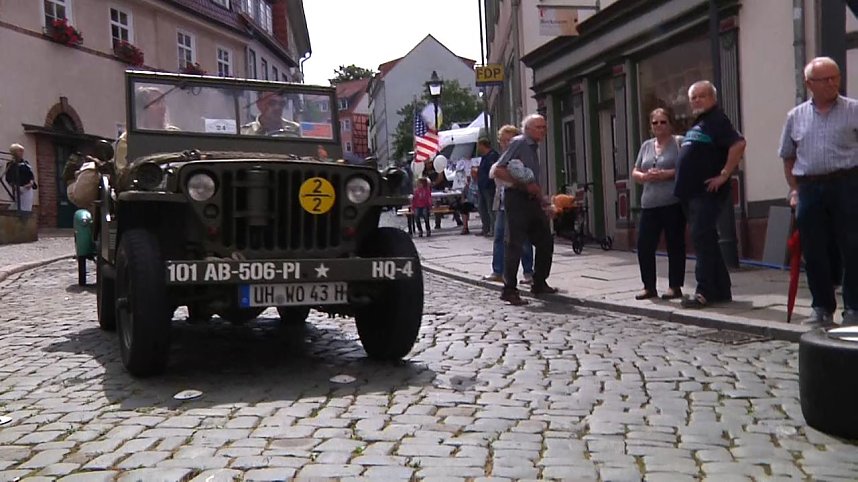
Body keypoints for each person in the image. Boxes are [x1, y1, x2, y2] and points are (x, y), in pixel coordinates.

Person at [778, 56, 858, 326]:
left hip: (847, 183)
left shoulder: (854, 110)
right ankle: (822, 307)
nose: (833, 83)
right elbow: (788, 156)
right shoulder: (795, 116)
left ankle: (854, 309)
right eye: (825, 79)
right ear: (809, 83)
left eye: (835, 77)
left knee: (853, 246)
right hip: (809, 187)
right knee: (814, 251)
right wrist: (794, 189)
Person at [674, 80, 746, 309]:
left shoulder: (717, 119)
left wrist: (724, 174)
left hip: (706, 193)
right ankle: (722, 290)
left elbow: (738, 144)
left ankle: (703, 291)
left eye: (701, 96)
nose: (696, 100)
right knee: (707, 241)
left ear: (713, 98)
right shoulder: (700, 123)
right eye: (693, 97)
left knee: (702, 239)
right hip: (691, 194)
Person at [492, 114, 556, 306]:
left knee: (545, 240)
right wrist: (523, 185)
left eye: (544, 127)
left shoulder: (534, 148)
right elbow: (499, 170)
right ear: (527, 129)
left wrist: (543, 200)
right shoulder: (519, 143)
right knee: (515, 244)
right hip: (517, 199)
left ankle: (539, 282)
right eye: (539, 127)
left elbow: (533, 181)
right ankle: (509, 289)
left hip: (531, 201)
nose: (543, 131)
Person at [631, 108, 686, 301]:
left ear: (670, 123)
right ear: (650, 126)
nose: (659, 126)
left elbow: (686, 167)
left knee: (675, 244)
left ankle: (675, 286)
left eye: (663, 122)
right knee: (645, 245)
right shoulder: (647, 145)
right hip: (649, 203)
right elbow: (635, 171)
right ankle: (648, 286)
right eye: (655, 123)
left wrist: (667, 174)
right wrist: (645, 176)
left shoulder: (679, 142)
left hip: (672, 202)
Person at [484, 125, 534, 285]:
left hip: (519, 202)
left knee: (523, 239)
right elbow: (493, 174)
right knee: (499, 237)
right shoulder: (501, 157)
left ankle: (528, 272)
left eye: (509, 140)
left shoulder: (522, 157)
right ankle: (498, 271)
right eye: (503, 140)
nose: (506, 143)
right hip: (502, 202)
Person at [3, 143, 36, 212]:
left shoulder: (26, 163)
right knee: (17, 206)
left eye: (22, 151)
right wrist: (14, 186)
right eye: (20, 151)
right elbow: (8, 177)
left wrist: (31, 182)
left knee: (27, 207)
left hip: (27, 188)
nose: (22, 153)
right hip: (18, 189)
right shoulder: (10, 164)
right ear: (14, 153)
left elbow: (31, 175)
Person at [476, 138, 497, 236]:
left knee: (491, 209)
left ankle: (493, 230)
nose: (478, 148)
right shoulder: (484, 157)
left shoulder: (492, 156)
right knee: (482, 208)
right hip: (482, 187)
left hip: (489, 187)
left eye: (479, 145)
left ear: (483, 145)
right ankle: (485, 228)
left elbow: (492, 171)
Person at [458, 167, 480, 235]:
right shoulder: (470, 182)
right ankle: (465, 228)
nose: (473, 175)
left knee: (483, 207)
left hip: (479, 201)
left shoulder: (480, 182)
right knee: (463, 206)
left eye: (474, 174)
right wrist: (463, 198)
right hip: (470, 202)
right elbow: (464, 191)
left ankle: (486, 227)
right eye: (472, 173)